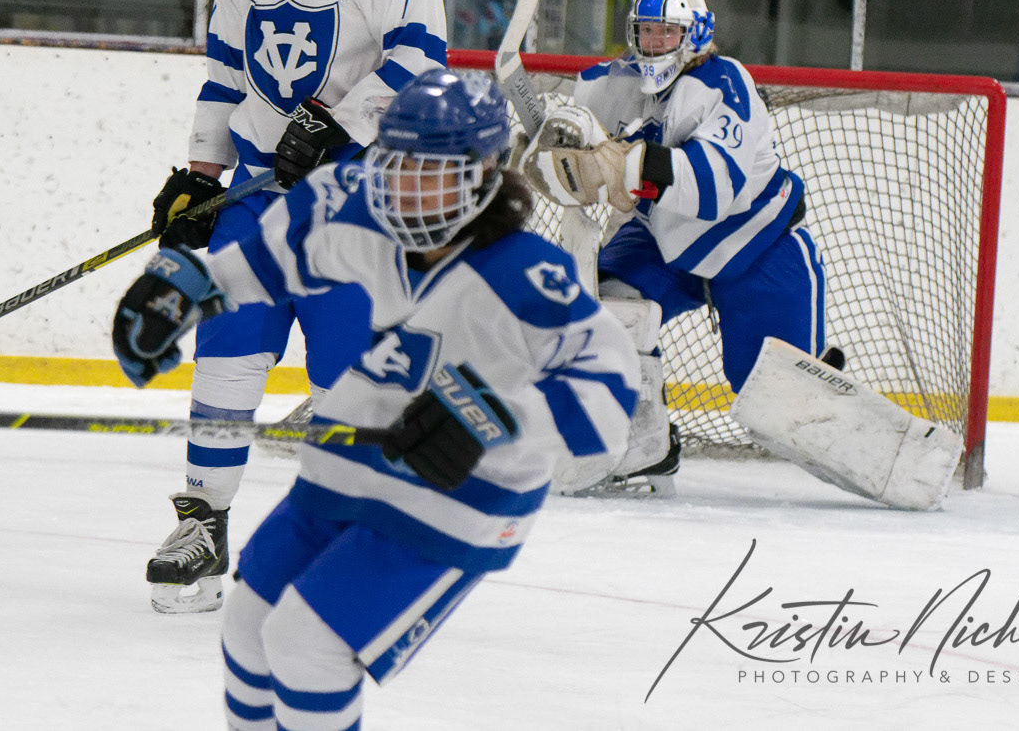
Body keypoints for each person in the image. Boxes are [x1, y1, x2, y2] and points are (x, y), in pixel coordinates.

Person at [113, 68, 639, 726]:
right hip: (351, 468)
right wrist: (190, 287)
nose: (409, 187)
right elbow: (271, 258)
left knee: (307, 648)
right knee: (248, 630)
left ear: (483, 172)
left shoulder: (526, 274)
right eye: (400, 163)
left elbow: (608, 394)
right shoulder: (357, 204)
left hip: (461, 496)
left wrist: (494, 418)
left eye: (433, 171)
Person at [138, 0, 447, 613]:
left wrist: (338, 124)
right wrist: (200, 180)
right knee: (226, 355)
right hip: (257, 203)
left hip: (354, 208)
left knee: (349, 375)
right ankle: (202, 525)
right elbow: (224, 79)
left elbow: (421, 58)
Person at [518, 0, 830, 495]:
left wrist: (625, 165)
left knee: (786, 404)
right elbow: (572, 128)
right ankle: (647, 444)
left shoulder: (725, 83)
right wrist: (540, 148)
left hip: (751, 243)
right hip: (660, 239)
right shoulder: (615, 81)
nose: (654, 43)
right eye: (646, 31)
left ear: (696, 34)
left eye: (667, 32)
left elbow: (714, 188)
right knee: (605, 310)